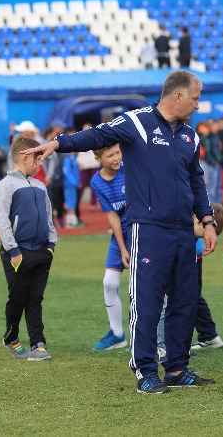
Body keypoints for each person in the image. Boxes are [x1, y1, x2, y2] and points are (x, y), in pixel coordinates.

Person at [22, 70, 217, 394]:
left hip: (185, 229)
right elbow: (96, 136)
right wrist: (56, 143)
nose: (198, 105)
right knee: (147, 301)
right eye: (195, 98)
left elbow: (196, 180)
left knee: (185, 301)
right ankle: (145, 371)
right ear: (178, 95)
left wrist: (207, 221)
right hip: (150, 228)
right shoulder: (137, 122)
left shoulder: (189, 137)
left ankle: (176, 369)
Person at [0, 136, 57, 361]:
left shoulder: (40, 186)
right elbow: (2, 221)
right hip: (17, 253)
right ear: (25, 156)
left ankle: (38, 344)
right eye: (38, 158)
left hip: (41, 251)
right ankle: (11, 337)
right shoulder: (5, 186)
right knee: (18, 298)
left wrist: (51, 245)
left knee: (35, 299)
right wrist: (13, 251)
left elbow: (49, 217)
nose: (40, 163)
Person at [90, 144, 129, 350]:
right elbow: (112, 216)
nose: (116, 158)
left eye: (117, 152)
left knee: (144, 287)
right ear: (98, 159)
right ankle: (117, 334)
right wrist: (122, 248)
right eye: (110, 155)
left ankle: (150, 339)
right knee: (109, 283)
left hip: (142, 231)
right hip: (120, 235)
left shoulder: (130, 167)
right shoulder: (96, 181)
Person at [190, 204, 223, 350]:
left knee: (191, 296)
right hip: (194, 255)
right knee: (192, 296)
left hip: (192, 256)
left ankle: (209, 335)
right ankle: (209, 335)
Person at [63, 147, 81, 228]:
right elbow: (68, 173)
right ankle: (72, 221)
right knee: (70, 202)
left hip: (72, 184)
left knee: (72, 202)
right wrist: (75, 183)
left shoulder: (73, 158)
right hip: (69, 184)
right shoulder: (68, 159)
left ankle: (70, 221)